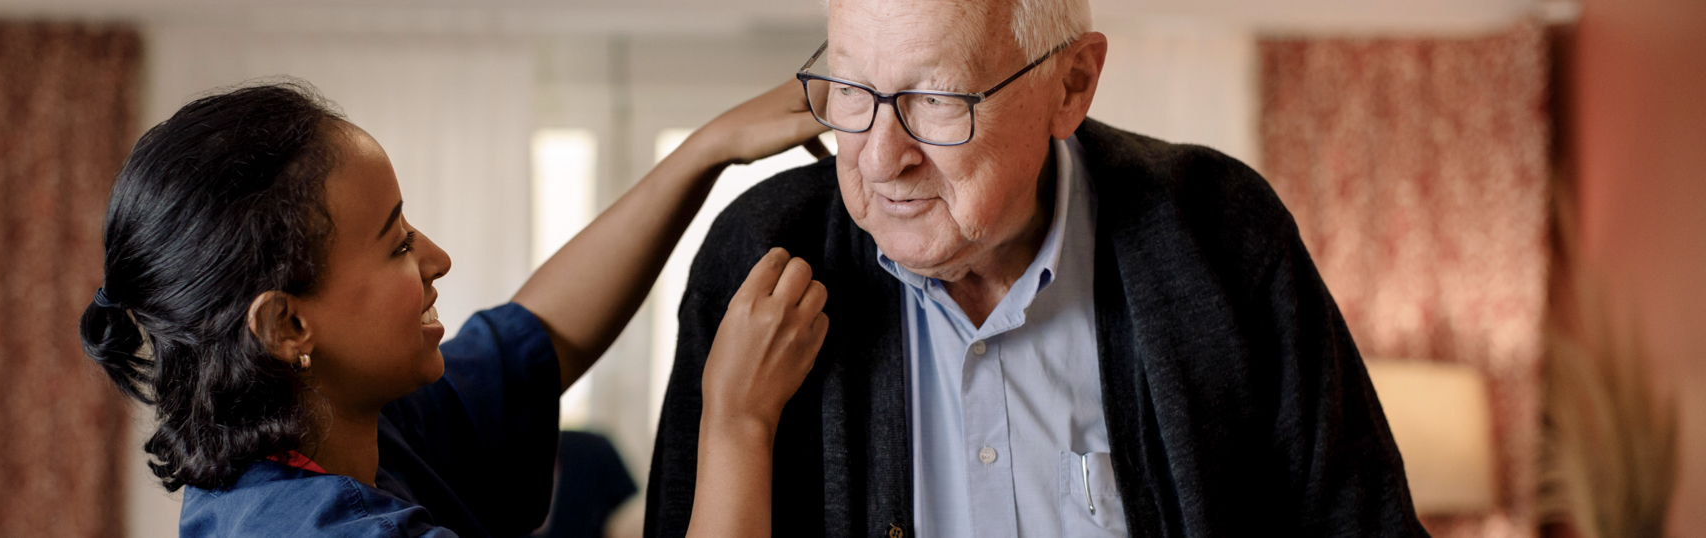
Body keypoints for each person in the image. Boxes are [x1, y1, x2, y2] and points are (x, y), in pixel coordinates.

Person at [645, 0, 1428, 536]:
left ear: (1072, 84)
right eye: (852, 91)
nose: (882, 159)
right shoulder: (760, 253)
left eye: (939, 99)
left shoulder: (1221, 232)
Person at [79, 79, 830, 538]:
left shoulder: (353, 429)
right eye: (397, 243)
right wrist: (737, 420)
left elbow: (538, 340)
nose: (437, 259)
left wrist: (705, 149)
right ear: (288, 325)